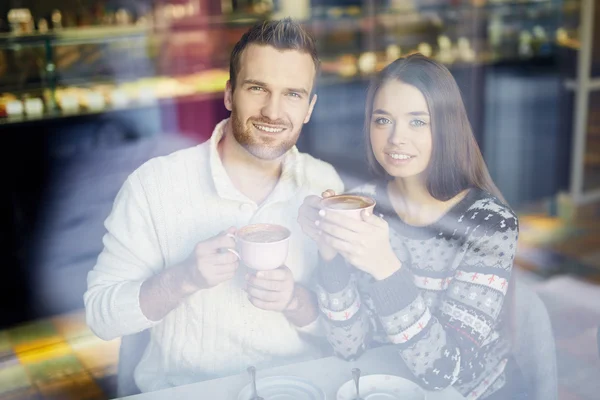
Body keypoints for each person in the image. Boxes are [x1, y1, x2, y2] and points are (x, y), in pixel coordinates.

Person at [85, 19, 344, 393]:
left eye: (292, 94)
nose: (273, 111)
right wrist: (185, 278)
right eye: (257, 88)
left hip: (295, 387)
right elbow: (100, 316)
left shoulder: (324, 186)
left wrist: (294, 300)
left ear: (309, 107)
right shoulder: (154, 185)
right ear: (229, 94)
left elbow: (346, 327)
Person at [298, 54, 527, 399]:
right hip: (384, 387)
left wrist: (386, 268)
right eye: (383, 120)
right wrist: (330, 254)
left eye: (418, 122)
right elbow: (350, 347)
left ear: (446, 126)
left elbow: (447, 372)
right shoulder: (360, 205)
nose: (395, 139)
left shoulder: (489, 225)